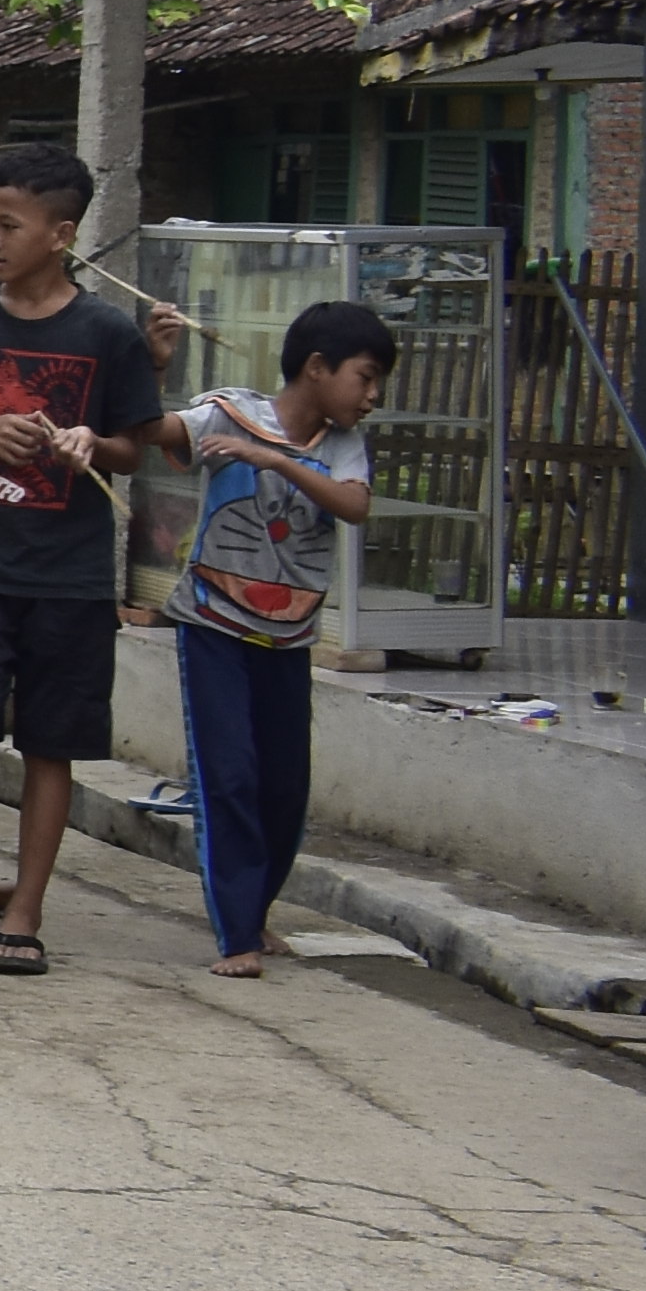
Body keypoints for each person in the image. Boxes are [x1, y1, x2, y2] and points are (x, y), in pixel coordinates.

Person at [0, 150, 160, 980]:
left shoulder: (108, 334)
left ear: (62, 235)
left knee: (53, 742)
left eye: (7, 226)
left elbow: (135, 444)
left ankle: (25, 911)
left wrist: (93, 441)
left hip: (72, 573)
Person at [166, 301, 393, 977]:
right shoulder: (230, 410)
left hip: (289, 639)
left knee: (284, 788)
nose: (373, 395)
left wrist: (271, 458)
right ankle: (236, 933)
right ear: (317, 368)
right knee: (228, 774)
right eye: (367, 376)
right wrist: (153, 361)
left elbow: (352, 504)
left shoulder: (343, 443)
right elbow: (166, 432)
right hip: (215, 625)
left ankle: (256, 912)